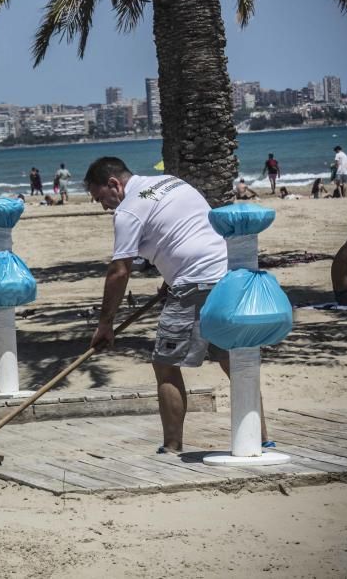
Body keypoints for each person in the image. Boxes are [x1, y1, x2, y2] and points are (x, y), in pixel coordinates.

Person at [83, 156, 269, 453]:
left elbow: (119, 271)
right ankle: (261, 437)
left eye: (100, 197)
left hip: (193, 282)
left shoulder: (128, 210)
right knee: (232, 360)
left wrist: (105, 324)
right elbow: (185, 229)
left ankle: (171, 447)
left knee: (165, 364)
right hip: (228, 275)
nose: (103, 205)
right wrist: (170, 280)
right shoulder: (170, 182)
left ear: (114, 184)